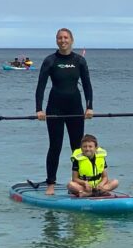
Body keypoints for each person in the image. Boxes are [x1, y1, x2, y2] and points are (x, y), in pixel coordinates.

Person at [35, 28, 93, 195]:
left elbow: (87, 85)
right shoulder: (50, 61)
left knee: (77, 149)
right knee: (55, 146)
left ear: (72, 40)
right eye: (60, 38)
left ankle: (78, 183)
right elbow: (40, 86)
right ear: (56, 41)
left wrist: (89, 107)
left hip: (75, 109)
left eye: (66, 37)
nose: (63, 40)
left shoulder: (79, 61)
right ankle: (51, 184)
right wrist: (39, 109)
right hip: (54, 109)